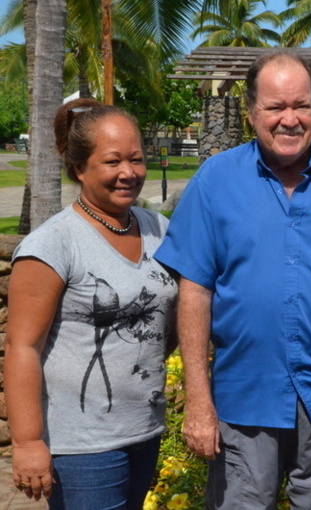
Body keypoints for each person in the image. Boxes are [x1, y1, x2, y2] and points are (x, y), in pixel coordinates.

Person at [153, 50, 311, 508]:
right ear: (251, 113)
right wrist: (198, 403)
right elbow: (195, 291)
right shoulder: (216, 179)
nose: (290, 119)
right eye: (275, 107)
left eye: (301, 105)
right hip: (244, 400)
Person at [5, 98, 177, 507]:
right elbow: (21, 347)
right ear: (79, 168)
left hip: (144, 430)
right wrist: (27, 442)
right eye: (112, 161)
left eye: (136, 159)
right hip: (83, 447)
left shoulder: (158, 228)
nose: (128, 172)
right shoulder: (53, 244)